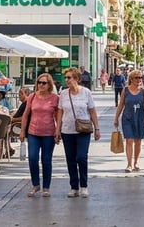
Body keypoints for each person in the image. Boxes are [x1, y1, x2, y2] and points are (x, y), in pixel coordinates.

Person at [56, 67, 100, 198]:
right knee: (70, 159)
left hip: (83, 130)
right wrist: (57, 130)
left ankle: (84, 185)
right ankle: (74, 186)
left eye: (69, 77)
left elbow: (92, 110)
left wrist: (97, 128)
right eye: (66, 78)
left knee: (81, 157)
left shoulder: (86, 92)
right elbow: (60, 112)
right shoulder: (63, 94)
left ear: (76, 79)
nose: (66, 80)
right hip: (67, 130)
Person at [20, 73, 60, 197]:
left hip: (48, 133)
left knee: (46, 160)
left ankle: (46, 187)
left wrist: (58, 131)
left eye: (44, 83)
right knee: (32, 158)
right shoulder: (32, 97)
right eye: (39, 82)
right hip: (33, 132)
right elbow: (26, 115)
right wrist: (22, 131)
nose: (41, 85)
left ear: (49, 85)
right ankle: (36, 184)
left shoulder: (55, 98)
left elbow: (58, 116)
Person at [114, 69, 144, 172]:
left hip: (140, 118)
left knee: (138, 141)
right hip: (127, 118)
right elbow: (121, 104)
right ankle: (129, 164)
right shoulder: (125, 90)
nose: (139, 79)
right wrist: (116, 117)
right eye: (137, 77)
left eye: (141, 78)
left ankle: (136, 162)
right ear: (131, 79)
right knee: (129, 140)